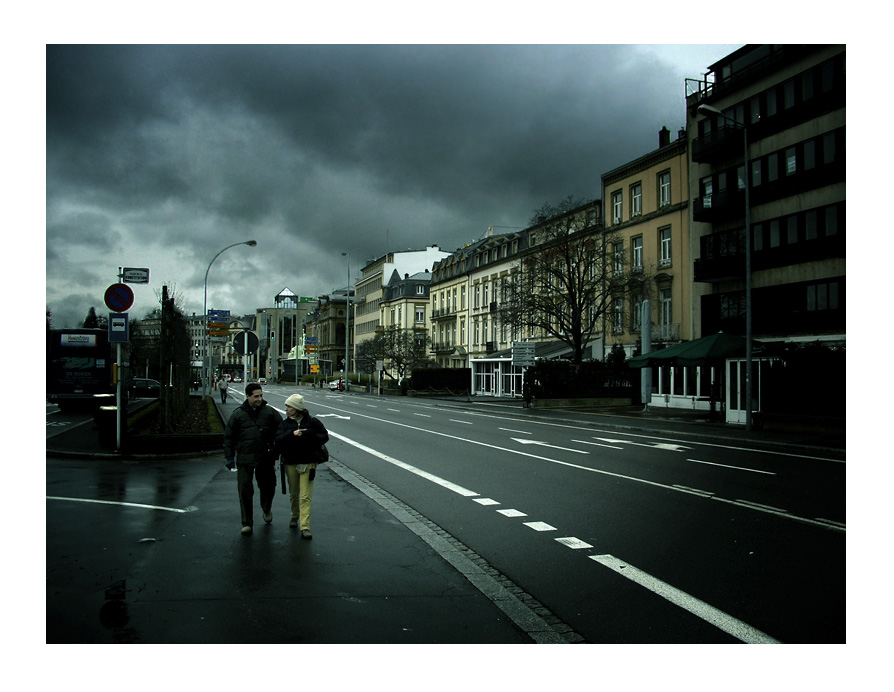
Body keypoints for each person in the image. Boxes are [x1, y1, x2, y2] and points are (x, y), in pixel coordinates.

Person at [224, 383, 283, 535]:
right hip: (245, 458)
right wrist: (229, 456)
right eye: (256, 396)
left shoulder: (270, 412)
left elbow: (282, 431)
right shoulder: (238, 415)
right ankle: (247, 522)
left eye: (261, 395)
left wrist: (278, 450)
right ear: (248, 396)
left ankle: (266, 508)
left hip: (265, 457)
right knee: (244, 490)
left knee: (269, 487)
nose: (259, 399)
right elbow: (229, 437)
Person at [274, 394, 328, 539]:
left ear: (297, 409)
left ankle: (305, 526)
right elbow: (278, 440)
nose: (286, 409)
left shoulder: (312, 422)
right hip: (290, 462)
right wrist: (291, 434)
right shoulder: (285, 424)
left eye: (289, 407)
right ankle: (294, 515)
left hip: (308, 462)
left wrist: (308, 435)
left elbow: (324, 436)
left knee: (305, 496)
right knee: (294, 493)